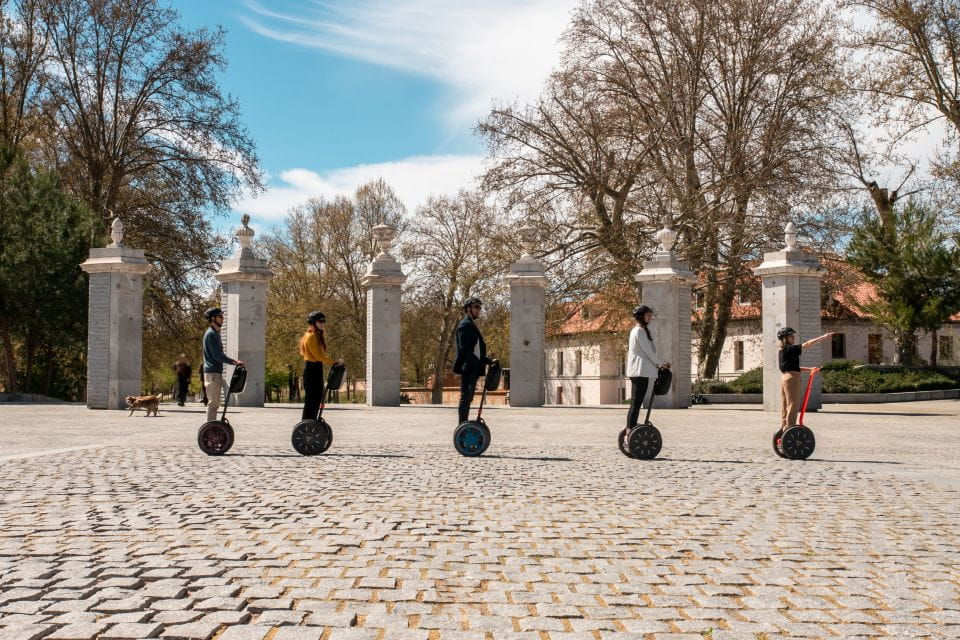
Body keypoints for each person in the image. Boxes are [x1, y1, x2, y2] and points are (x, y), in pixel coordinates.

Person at [625, 305, 670, 433]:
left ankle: (631, 428)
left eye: (650, 315)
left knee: (636, 403)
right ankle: (630, 430)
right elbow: (648, 352)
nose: (650, 317)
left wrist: (660, 364)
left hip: (641, 371)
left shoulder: (641, 330)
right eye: (648, 315)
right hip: (639, 372)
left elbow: (649, 352)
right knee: (636, 403)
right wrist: (661, 364)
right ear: (641, 316)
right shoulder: (639, 331)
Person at [778, 327, 833, 430]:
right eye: (791, 335)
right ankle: (790, 429)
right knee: (793, 405)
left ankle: (784, 427)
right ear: (785, 338)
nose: (794, 337)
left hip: (785, 377)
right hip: (792, 379)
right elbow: (807, 344)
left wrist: (809, 369)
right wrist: (823, 337)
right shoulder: (790, 348)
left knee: (786, 405)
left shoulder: (782, 351)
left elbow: (791, 367)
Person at [453, 297, 492, 424]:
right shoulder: (465, 325)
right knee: (465, 398)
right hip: (468, 367)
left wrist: (487, 360)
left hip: (472, 367)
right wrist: (477, 362)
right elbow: (463, 349)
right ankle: (461, 426)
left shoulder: (470, 325)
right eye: (476, 307)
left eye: (480, 307)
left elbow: (475, 350)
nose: (479, 310)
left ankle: (463, 426)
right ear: (468, 309)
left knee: (468, 398)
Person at [202, 308, 244, 422]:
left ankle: (211, 427)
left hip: (215, 372)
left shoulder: (215, 333)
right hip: (212, 374)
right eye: (220, 317)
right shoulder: (211, 334)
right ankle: (209, 430)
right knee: (213, 404)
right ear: (212, 319)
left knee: (215, 404)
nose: (222, 319)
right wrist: (234, 362)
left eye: (222, 317)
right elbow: (217, 356)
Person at [299, 311, 343, 421]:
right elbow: (319, 357)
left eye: (324, 321)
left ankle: (311, 423)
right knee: (312, 400)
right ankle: (307, 425)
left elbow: (319, 357)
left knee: (316, 399)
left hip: (316, 369)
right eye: (320, 321)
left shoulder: (315, 335)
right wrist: (335, 362)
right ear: (313, 322)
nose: (323, 323)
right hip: (312, 370)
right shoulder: (311, 336)